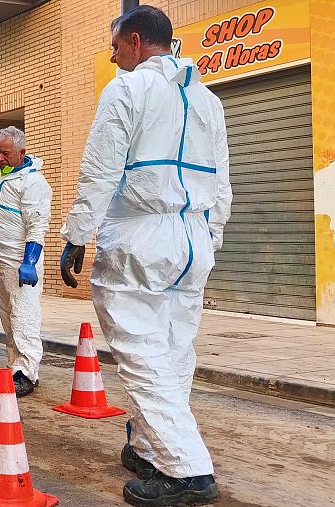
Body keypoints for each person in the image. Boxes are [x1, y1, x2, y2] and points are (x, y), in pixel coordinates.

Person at [59, 6, 231, 506]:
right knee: (174, 353)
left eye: (115, 46)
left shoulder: (126, 90)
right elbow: (221, 186)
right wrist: (211, 240)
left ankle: (186, 471)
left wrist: (77, 235)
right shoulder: (208, 101)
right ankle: (157, 452)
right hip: (191, 241)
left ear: (135, 41)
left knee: (140, 357)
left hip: (140, 237)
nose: (112, 56)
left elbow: (100, 169)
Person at [0, 74, 52, 397]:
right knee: (8, 316)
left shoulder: (33, 184)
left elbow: (37, 225)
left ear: (21, 151)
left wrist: (30, 261)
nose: (0, 158)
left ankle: (27, 372)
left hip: (20, 264)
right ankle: (14, 366)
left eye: (5, 154)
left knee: (24, 315)